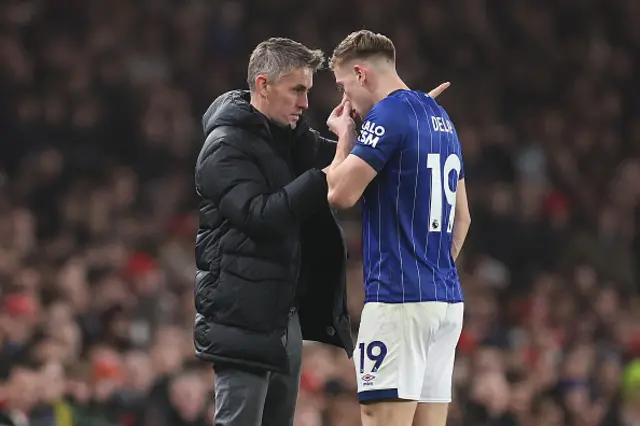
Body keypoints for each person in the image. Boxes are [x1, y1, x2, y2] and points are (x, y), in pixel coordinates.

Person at [193, 37, 354, 426]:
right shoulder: (225, 146)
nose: (304, 103)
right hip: (242, 315)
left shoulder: (288, 137)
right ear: (263, 85)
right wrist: (325, 177)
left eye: (308, 91)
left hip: (285, 315)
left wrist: (401, 115)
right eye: (296, 90)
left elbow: (347, 159)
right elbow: (261, 216)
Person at [323, 30, 472, 426]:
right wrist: (430, 270)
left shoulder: (389, 115)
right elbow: (463, 219)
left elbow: (339, 193)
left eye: (342, 87)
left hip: (399, 301)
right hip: (444, 301)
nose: (344, 101)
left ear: (360, 73)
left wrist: (345, 137)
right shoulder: (440, 118)